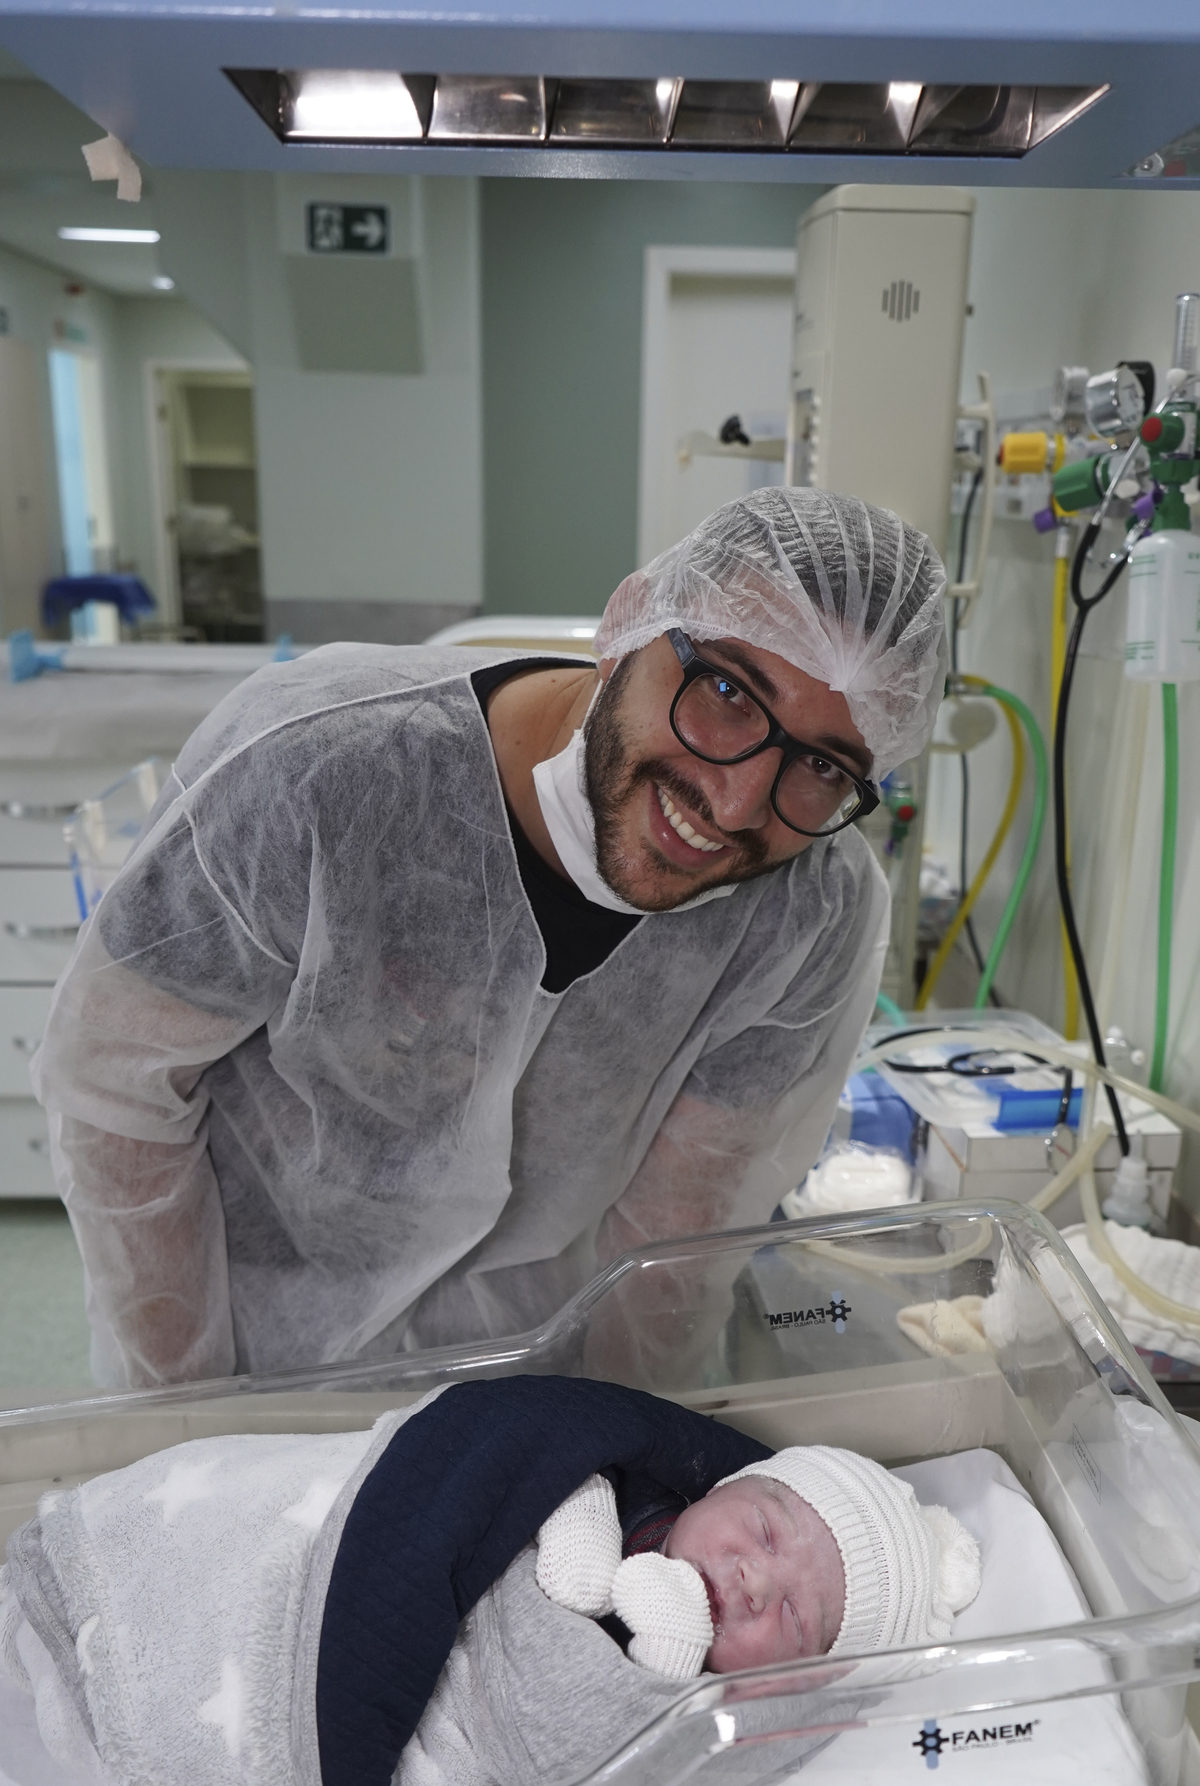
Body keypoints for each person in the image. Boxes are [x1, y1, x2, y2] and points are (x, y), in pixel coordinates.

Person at [32, 488, 947, 1388]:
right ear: (629, 623)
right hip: (256, 1365)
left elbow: (677, 1238)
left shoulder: (808, 915)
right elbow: (116, 1094)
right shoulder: (317, 771)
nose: (738, 802)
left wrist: (608, 1437)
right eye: (726, 692)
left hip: (536, 1381)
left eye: (822, 764)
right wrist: (188, 1415)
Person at [0, 1375, 979, 1786]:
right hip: (303, 1554)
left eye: (795, 1618)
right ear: (722, 1483)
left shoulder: (687, 1708)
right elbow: (508, 1457)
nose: (756, 1578)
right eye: (763, 1528)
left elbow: (560, 1745)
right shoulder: (635, 1496)